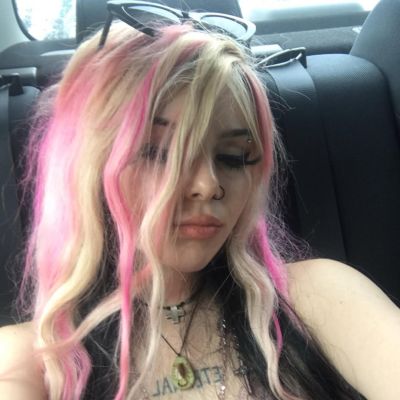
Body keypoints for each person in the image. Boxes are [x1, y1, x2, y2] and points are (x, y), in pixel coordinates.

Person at [0, 2, 399, 399]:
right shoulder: (32, 359)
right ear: (87, 165)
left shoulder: (318, 297)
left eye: (234, 157)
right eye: (158, 152)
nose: (209, 186)